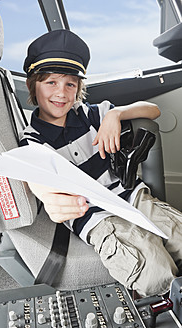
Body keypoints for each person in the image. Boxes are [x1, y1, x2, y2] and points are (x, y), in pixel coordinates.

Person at [20, 29, 182, 297]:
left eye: (70, 84)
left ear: (78, 89)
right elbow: (36, 181)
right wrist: (50, 200)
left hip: (132, 198)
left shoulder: (89, 114)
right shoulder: (33, 142)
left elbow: (153, 110)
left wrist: (115, 115)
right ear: (32, 85)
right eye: (51, 83)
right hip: (96, 217)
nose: (61, 93)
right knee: (154, 273)